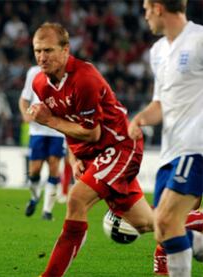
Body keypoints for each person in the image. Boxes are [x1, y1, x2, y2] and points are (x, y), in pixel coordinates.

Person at [27, 22, 155, 276]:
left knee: (76, 199)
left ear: (66, 50)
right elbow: (68, 122)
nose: (42, 57)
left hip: (120, 146)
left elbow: (91, 132)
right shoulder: (40, 84)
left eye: (49, 50)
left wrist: (49, 121)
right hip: (96, 153)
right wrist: (75, 157)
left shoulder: (84, 78)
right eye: (37, 51)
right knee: (145, 223)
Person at [129, 1, 203, 276]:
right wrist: (140, 119)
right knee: (163, 230)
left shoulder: (198, 40)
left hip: (195, 147)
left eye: (147, 8)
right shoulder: (157, 52)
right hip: (170, 153)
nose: (145, 15)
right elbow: (159, 103)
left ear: (159, 8)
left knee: (167, 218)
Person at [19, 65, 66, 220]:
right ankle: (34, 197)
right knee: (35, 170)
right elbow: (24, 99)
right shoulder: (33, 72)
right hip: (37, 129)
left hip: (56, 129)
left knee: (54, 166)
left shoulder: (65, 73)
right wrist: (25, 113)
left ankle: (47, 211)